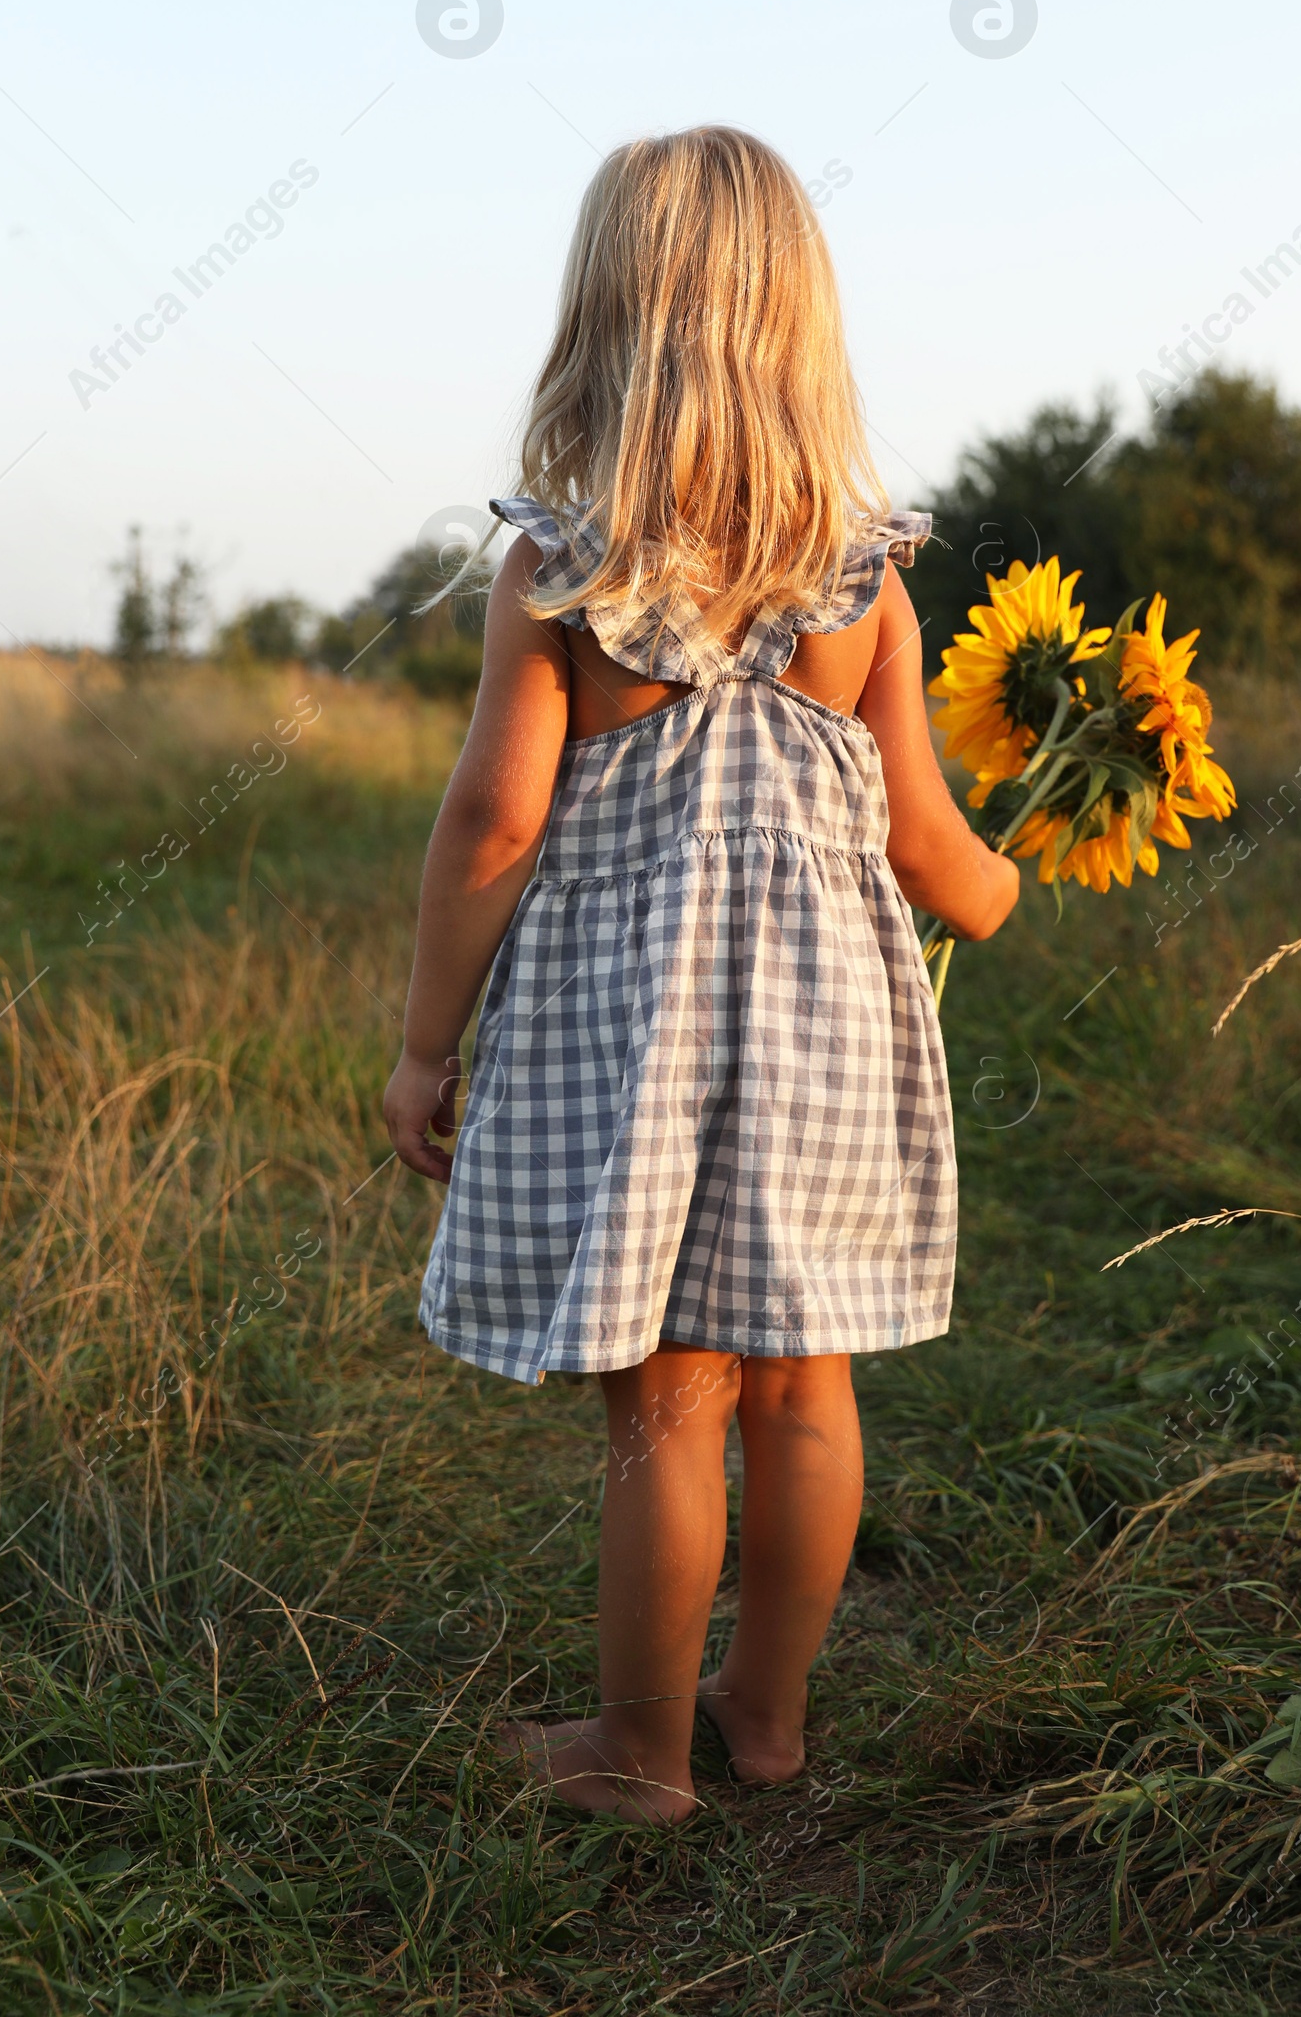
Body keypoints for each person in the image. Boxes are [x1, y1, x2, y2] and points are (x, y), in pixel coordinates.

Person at [384, 125, 1018, 1823]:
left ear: (606, 323)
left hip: (630, 1048)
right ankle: (771, 1716)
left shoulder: (564, 574)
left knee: (667, 1408)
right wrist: (1015, 878)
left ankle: (638, 1754)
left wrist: (424, 1046)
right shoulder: (865, 580)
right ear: (800, 326)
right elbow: (932, 855)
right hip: (824, 1054)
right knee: (807, 1390)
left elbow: (493, 825)